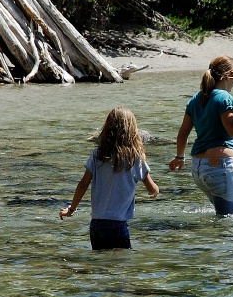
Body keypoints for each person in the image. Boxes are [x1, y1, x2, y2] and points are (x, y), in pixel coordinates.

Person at [169, 55, 233, 215]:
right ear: (227, 76)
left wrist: (179, 157)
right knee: (230, 223)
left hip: (198, 168)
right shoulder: (224, 97)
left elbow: (182, 134)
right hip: (220, 167)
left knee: (222, 218)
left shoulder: (196, 99)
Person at [60, 106, 159, 250]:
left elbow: (82, 185)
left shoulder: (97, 155)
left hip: (96, 224)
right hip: (118, 225)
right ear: (132, 132)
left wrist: (71, 209)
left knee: (100, 264)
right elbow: (151, 188)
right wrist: (155, 192)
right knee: (121, 267)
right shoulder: (134, 158)